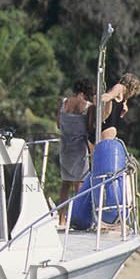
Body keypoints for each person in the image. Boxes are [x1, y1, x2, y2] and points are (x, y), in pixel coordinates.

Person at [56, 79, 93, 222]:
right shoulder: (87, 107)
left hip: (65, 147)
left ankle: (61, 218)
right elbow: (89, 128)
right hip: (79, 148)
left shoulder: (64, 102)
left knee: (65, 183)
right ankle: (77, 218)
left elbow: (59, 124)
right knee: (80, 183)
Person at [94, 73, 140, 142]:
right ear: (132, 88)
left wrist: (124, 107)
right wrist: (99, 98)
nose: (132, 95)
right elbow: (109, 96)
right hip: (106, 128)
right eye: (134, 92)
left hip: (108, 130)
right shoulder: (119, 87)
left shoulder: (124, 97)